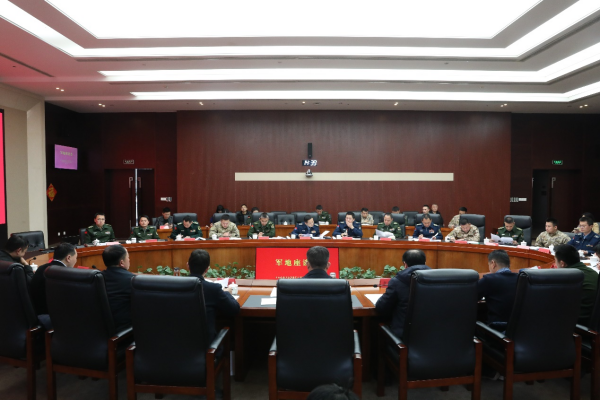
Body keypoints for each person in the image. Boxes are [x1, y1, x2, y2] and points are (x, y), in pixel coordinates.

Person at [375, 250, 431, 337]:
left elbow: (381, 308)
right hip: (435, 336)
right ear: (425, 263)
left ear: (405, 264)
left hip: (404, 338)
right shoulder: (437, 280)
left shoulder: (398, 281)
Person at [187, 249, 240, 342]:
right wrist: (226, 292)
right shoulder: (213, 289)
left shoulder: (175, 287)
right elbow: (234, 309)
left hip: (176, 345)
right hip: (206, 347)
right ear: (207, 269)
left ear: (188, 265)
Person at [30, 243, 77, 328]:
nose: (76, 261)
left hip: (36, 314)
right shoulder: (65, 274)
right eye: (76, 258)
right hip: (54, 320)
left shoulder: (41, 268)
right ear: (68, 258)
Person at [554, 244, 598, 324]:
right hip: (594, 320)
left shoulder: (566, 278)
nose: (555, 264)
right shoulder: (592, 272)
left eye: (555, 261)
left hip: (579, 322)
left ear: (562, 263)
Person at [477, 250, 518, 330]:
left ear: (493, 263)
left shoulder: (489, 279)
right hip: (517, 330)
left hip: (495, 330)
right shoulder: (520, 279)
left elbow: (470, 297)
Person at [101, 245, 134, 330]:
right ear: (121, 263)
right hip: (124, 330)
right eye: (128, 257)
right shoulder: (132, 280)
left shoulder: (98, 277)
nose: (129, 260)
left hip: (100, 328)